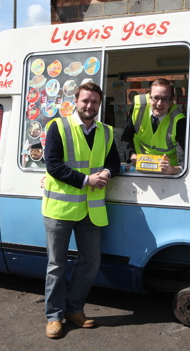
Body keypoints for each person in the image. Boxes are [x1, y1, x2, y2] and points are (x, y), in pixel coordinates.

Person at [42, 82, 120, 339]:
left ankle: (74, 309)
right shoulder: (58, 126)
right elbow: (53, 165)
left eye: (94, 102)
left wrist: (107, 172)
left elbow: (113, 161)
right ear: (76, 100)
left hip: (91, 210)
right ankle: (54, 317)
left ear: (99, 104)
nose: (89, 106)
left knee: (90, 262)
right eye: (85, 101)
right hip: (61, 209)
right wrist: (87, 180)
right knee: (56, 265)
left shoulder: (107, 131)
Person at [121, 78, 186, 174]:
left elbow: (183, 161)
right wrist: (132, 155)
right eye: (155, 98)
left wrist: (173, 169)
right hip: (141, 169)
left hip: (168, 174)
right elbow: (126, 137)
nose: (159, 104)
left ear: (172, 100)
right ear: (149, 98)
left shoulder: (179, 120)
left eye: (165, 99)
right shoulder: (138, 108)